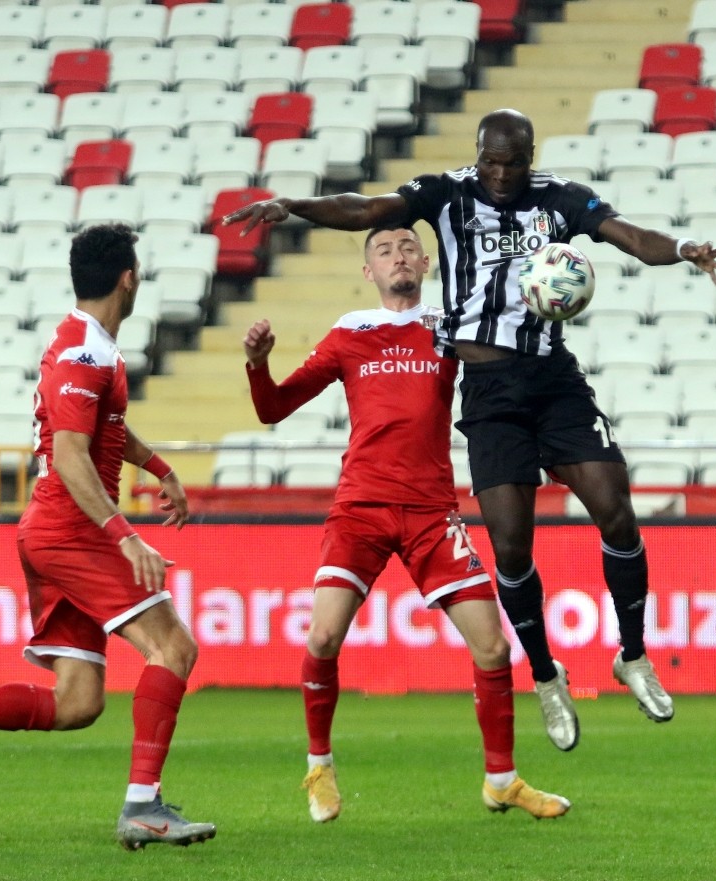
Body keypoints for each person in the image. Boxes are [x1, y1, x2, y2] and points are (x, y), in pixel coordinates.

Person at [225, 109, 716, 753]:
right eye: (490, 159)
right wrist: (292, 206)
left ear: (529, 155)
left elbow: (630, 236)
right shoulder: (446, 192)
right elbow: (368, 209)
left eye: (512, 162)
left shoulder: (560, 200)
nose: (499, 173)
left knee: (616, 511)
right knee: (514, 549)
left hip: (555, 382)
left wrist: (686, 250)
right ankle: (547, 676)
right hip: (490, 394)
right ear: (478, 152)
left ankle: (632, 655)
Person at [0, 223, 216, 851]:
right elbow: (68, 454)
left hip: (55, 531)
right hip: (70, 531)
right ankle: (143, 807)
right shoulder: (83, 350)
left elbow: (105, 428)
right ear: (128, 278)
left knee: (77, 702)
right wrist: (125, 536)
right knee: (174, 647)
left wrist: (159, 467)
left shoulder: (90, 346)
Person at [242, 226, 570, 824]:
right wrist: (258, 366)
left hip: (431, 513)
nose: (397, 256)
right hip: (361, 507)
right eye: (384, 250)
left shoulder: (450, 328)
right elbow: (272, 409)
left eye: (406, 247)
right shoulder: (350, 333)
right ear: (369, 270)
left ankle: (501, 779)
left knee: (494, 647)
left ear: (424, 261)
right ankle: (319, 767)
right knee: (321, 639)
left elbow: (511, 376)